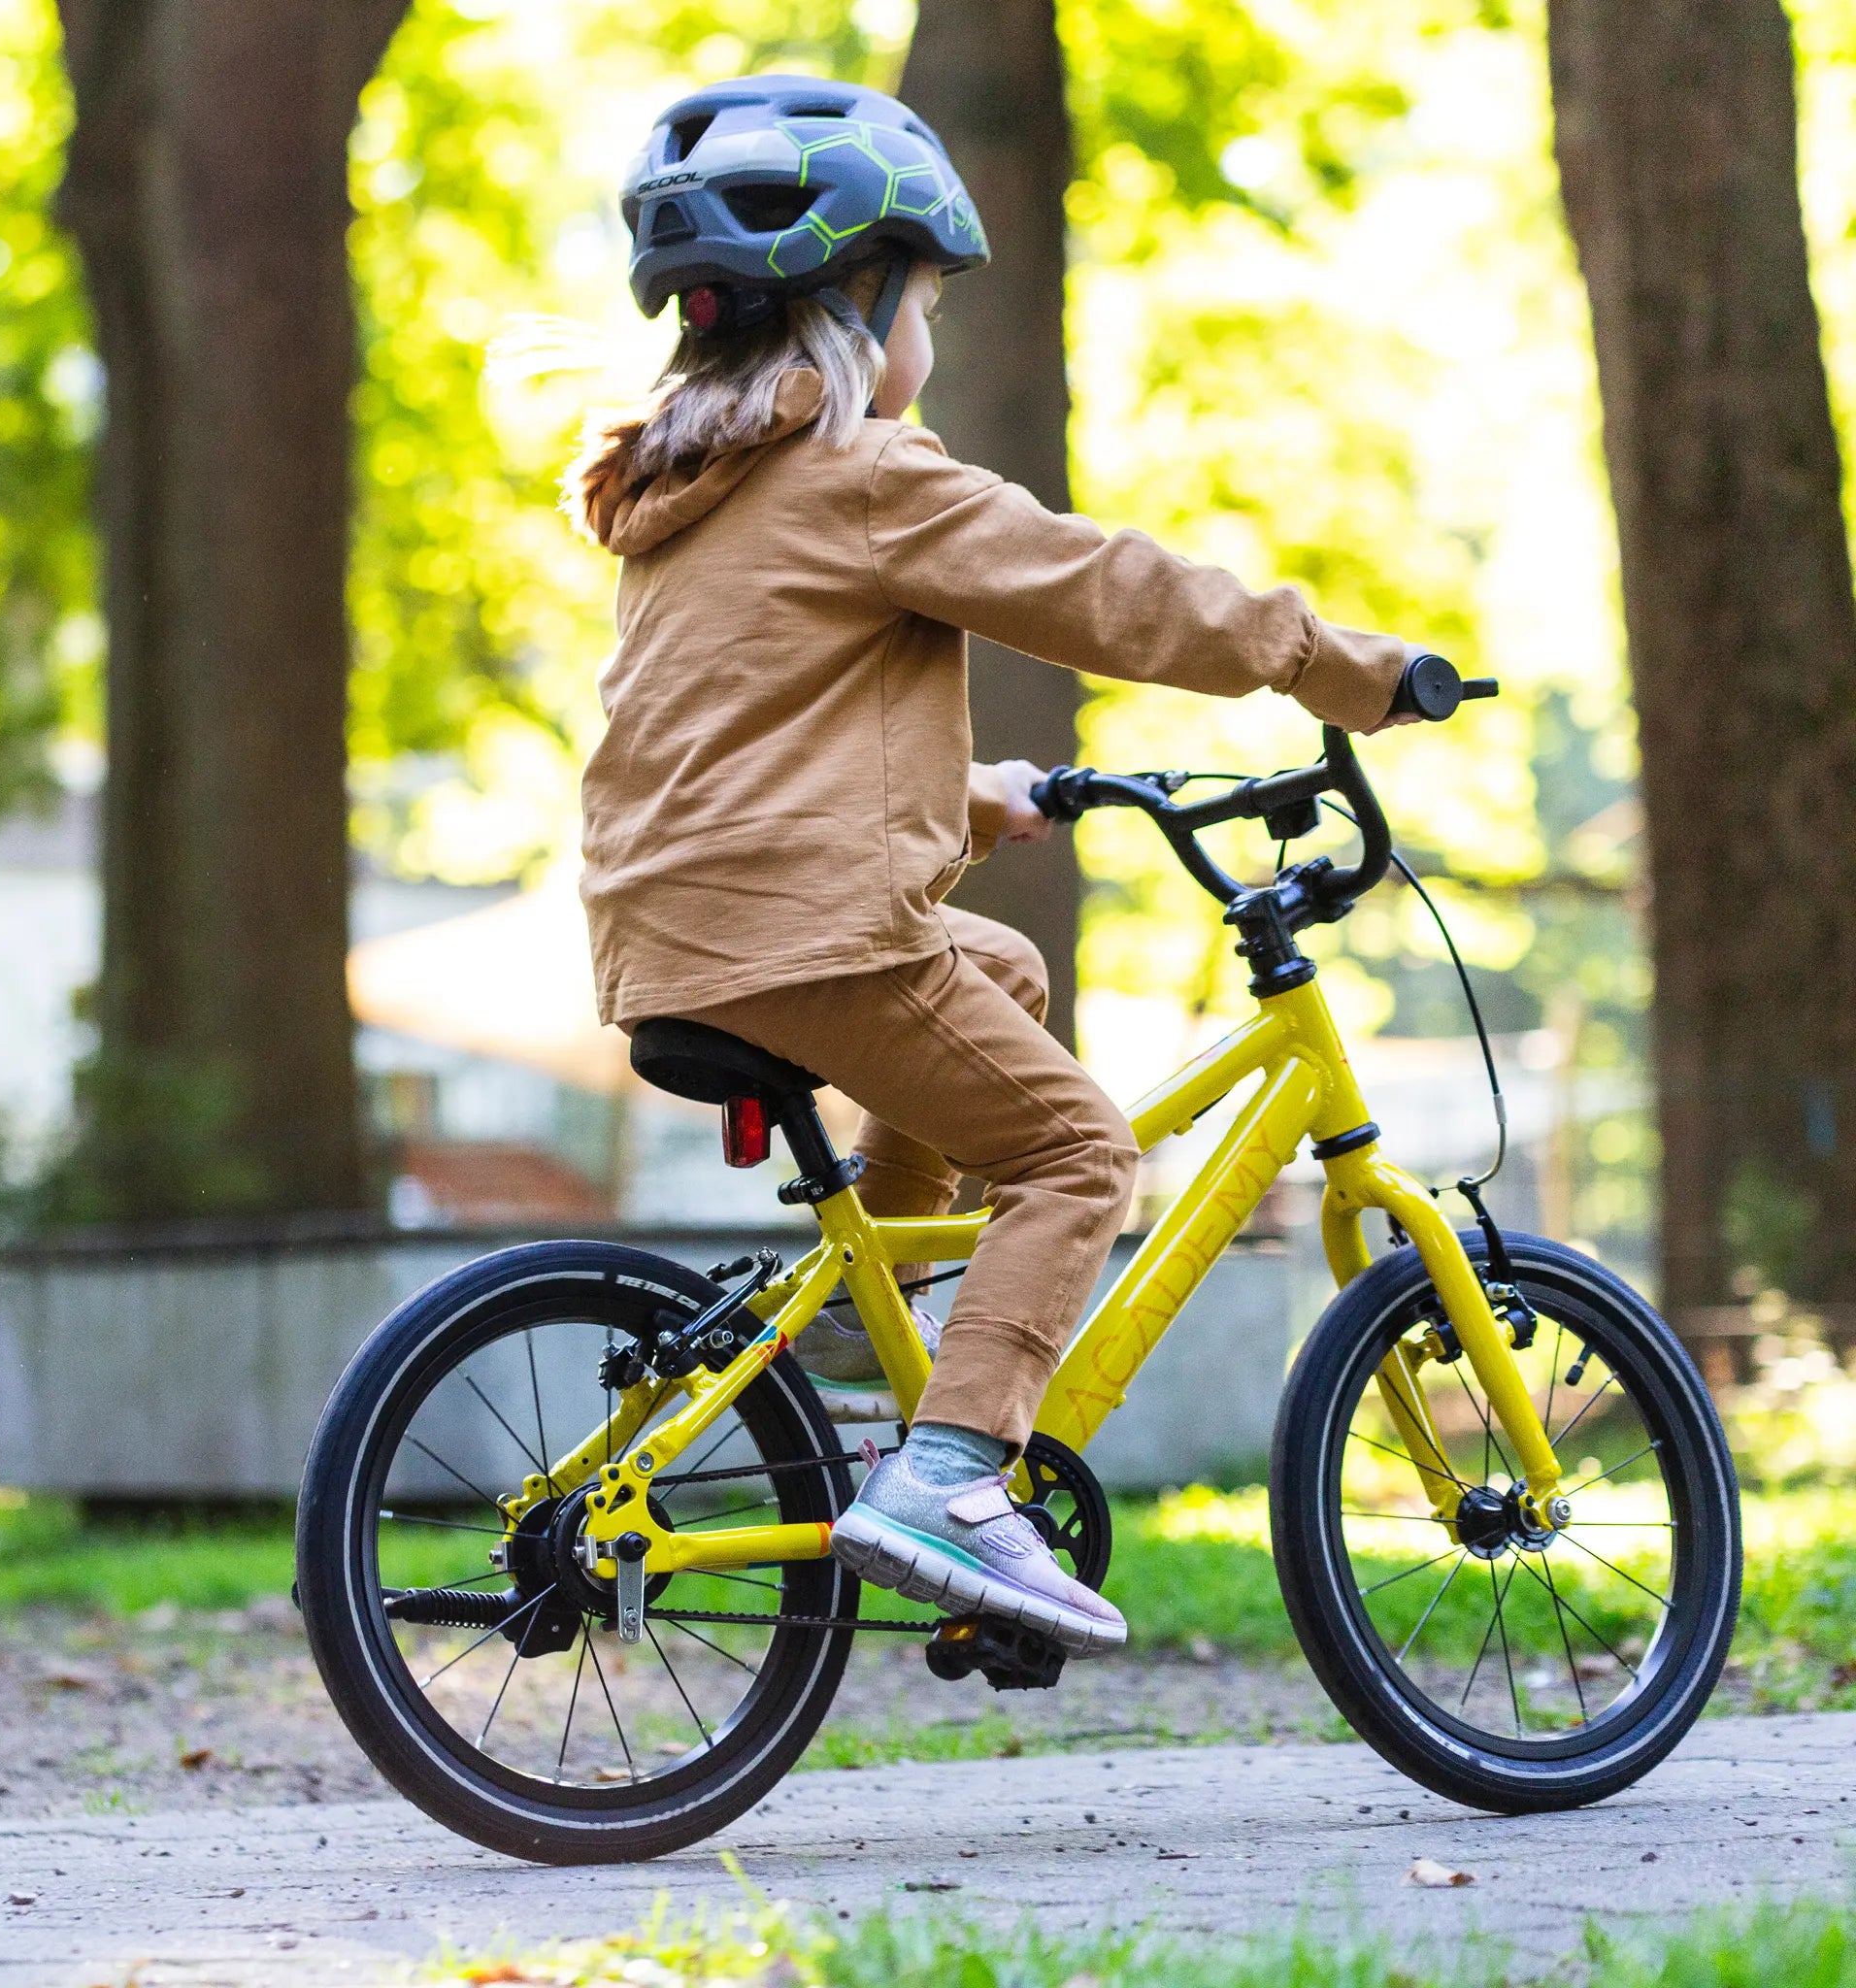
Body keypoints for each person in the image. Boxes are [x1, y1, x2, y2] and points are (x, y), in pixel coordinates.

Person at [565, 76, 1409, 1658]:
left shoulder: (692, 505)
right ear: (860, 305)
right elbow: (1103, 588)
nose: (931, 339)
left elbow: (748, 750)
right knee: (1081, 1154)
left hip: (676, 924)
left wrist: (971, 795)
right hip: (802, 934)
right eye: (927, 303)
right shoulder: (867, 471)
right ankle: (950, 1474)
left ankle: (879, 1364)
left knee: (1003, 974)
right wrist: (1330, 662)